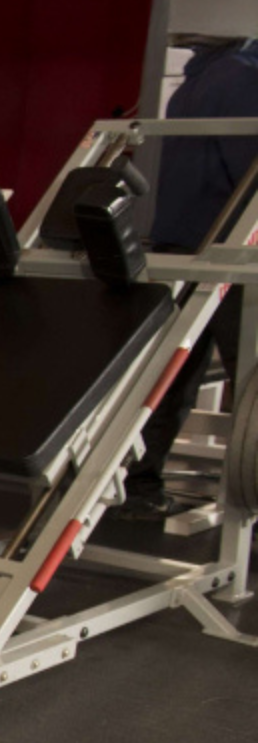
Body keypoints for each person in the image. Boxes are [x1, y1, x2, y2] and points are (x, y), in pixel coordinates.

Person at [115, 37, 258, 523]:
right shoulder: (242, 77)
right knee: (252, 382)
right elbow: (250, 169)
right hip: (232, 250)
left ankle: (138, 485)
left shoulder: (191, 84)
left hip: (182, 245)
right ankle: (249, 506)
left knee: (171, 377)